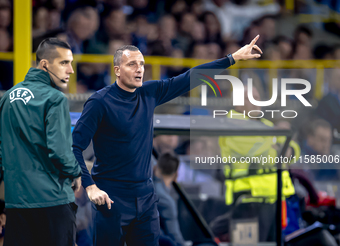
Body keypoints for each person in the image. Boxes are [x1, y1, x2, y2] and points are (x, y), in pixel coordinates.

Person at [72, 35, 262, 246]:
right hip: (111, 198)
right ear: (117, 70)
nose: (139, 69)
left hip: (145, 197)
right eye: (132, 64)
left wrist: (232, 58)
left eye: (142, 64)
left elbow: (192, 77)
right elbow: (74, 147)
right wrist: (90, 187)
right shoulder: (99, 102)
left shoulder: (149, 93)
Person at [0, 38, 82, 246]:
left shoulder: (6, 98)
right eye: (64, 63)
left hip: (16, 203)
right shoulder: (55, 99)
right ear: (45, 64)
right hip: (52, 201)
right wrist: (75, 172)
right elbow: (60, 152)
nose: (70, 70)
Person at [210, 86, 299, 242]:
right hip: (248, 201)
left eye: (258, 97)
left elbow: (292, 150)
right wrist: (278, 143)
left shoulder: (265, 124)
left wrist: (281, 145)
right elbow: (261, 152)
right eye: (249, 98)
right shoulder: (231, 125)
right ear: (237, 103)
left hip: (273, 200)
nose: (256, 102)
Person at [153, 153, 185, 246]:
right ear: (176, 175)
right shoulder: (167, 201)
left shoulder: (148, 189)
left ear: (156, 168)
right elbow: (174, 235)